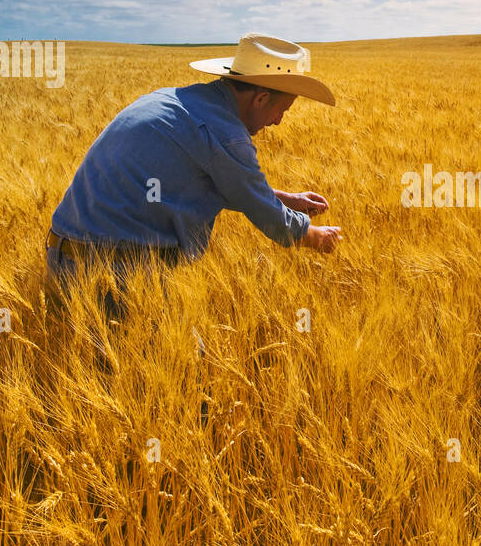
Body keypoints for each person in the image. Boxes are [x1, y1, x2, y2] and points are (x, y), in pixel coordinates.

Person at [44, 33, 343, 369]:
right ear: (260, 98)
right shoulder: (225, 132)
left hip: (63, 256)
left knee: (111, 382)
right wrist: (315, 236)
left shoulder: (172, 101)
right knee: (188, 375)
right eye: (281, 109)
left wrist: (283, 199)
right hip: (113, 272)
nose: (278, 121)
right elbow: (267, 217)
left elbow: (195, 181)